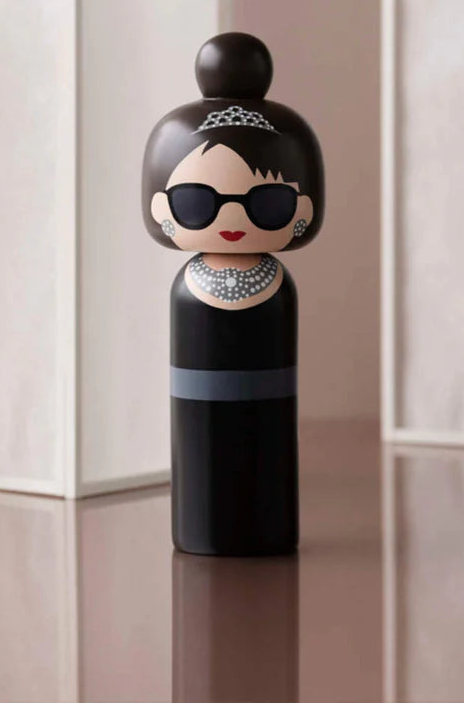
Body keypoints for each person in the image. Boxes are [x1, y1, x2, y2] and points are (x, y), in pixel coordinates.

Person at [142, 31, 324, 555]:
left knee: (268, 441)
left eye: (266, 203)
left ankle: (264, 526)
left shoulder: (277, 287)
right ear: (160, 207)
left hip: (270, 415)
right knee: (197, 442)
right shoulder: (188, 288)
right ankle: (203, 530)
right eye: (196, 202)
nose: (231, 219)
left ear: (302, 209)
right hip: (197, 421)